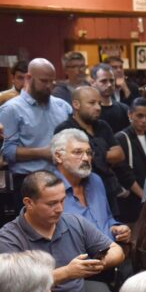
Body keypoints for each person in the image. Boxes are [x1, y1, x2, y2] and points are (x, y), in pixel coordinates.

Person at [0, 171, 124, 292]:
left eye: (62, 201)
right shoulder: (9, 237)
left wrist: (100, 263)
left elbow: (117, 251)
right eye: (51, 203)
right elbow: (13, 287)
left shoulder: (74, 222)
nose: (59, 209)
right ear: (29, 203)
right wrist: (67, 273)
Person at [0, 58, 72, 205]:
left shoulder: (63, 107)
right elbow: (7, 151)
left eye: (52, 82)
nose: (49, 86)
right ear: (28, 78)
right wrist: (43, 153)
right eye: (44, 81)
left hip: (62, 179)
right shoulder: (12, 109)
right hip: (28, 182)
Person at [54, 86, 126, 217]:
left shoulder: (103, 125)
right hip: (78, 190)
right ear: (76, 104)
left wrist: (96, 153)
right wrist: (102, 151)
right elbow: (66, 163)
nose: (98, 107)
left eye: (99, 103)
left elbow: (119, 154)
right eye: (92, 103)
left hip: (108, 188)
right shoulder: (65, 129)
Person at [51, 129, 131, 245]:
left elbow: (107, 219)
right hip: (77, 260)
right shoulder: (47, 189)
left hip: (111, 254)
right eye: (78, 152)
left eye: (89, 153)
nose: (86, 158)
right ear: (58, 156)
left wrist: (116, 229)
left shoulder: (96, 180)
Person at [114, 97, 146, 219]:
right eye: (139, 116)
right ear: (130, 115)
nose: (144, 120)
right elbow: (124, 173)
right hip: (131, 200)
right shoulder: (120, 138)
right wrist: (144, 196)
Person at [92, 63, 131, 134]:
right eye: (103, 81)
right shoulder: (90, 110)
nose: (109, 84)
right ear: (93, 83)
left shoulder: (124, 109)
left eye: (112, 80)